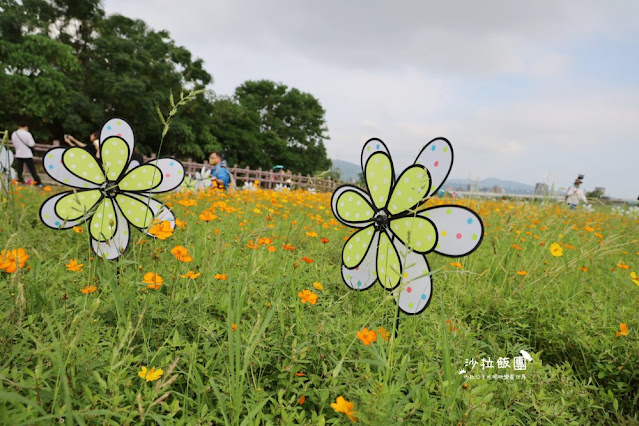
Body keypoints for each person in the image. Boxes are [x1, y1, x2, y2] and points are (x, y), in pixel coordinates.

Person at [11, 122, 43, 187]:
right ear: (25, 126)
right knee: (32, 169)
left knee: (19, 169)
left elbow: (14, 143)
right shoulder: (27, 134)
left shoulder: (14, 134)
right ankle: (38, 181)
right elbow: (32, 144)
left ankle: (20, 179)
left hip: (18, 153)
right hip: (27, 154)